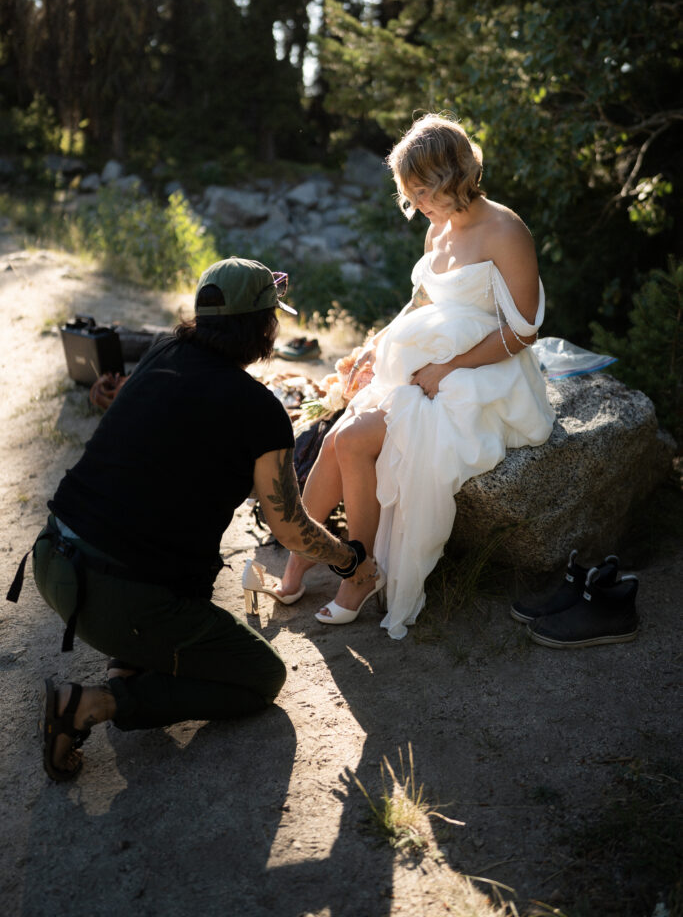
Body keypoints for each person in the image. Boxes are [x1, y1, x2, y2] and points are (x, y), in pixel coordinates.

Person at [8, 258, 364, 781]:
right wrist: (348, 557)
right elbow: (289, 528)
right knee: (261, 675)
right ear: (265, 327)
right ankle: (92, 703)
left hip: (53, 560)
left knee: (173, 576)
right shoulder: (259, 409)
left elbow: (138, 427)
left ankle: (130, 658)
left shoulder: (163, 353)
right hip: (116, 594)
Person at [278, 113, 556, 638]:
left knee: (355, 438)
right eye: (412, 194)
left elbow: (523, 331)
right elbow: (420, 301)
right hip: (428, 363)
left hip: (482, 373)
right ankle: (299, 559)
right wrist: (372, 345)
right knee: (338, 436)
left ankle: (358, 576)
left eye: (424, 191)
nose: (419, 205)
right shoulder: (437, 228)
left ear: (454, 176)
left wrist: (448, 368)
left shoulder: (505, 230)